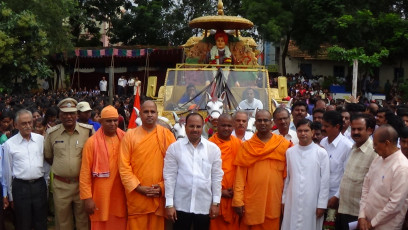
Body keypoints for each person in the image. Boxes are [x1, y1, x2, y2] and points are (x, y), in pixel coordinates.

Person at [119, 100, 176, 230]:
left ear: (157, 114)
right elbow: (124, 166)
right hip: (137, 198)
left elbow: (175, 166)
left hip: (159, 197)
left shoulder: (166, 134)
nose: (149, 115)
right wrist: (138, 188)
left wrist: (162, 187)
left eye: (152, 112)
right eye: (146, 112)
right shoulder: (130, 136)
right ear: (140, 115)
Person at [232, 110, 292, 229]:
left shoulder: (283, 145)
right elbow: (240, 177)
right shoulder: (246, 146)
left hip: (274, 200)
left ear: (271, 123)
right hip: (252, 200)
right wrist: (238, 200)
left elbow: (289, 177)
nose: (262, 123)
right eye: (259, 120)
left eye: (266, 120)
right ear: (255, 123)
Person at [164, 112, 223, 230]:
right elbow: (169, 177)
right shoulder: (174, 148)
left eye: (198, 126)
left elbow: (216, 177)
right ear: (185, 127)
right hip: (180, 205)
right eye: (191, 126)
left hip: (204, 205)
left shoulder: (213, 149)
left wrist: (216, 203)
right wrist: (169, 204)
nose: (195, 129)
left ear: (203, 127)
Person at [44, 98, 94, 230]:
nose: (68, 116)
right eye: (65, 113)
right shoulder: (52, 133)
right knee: (63, 221)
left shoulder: (87, 131)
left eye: (72, 113)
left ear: (77, 114)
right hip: (61, 185)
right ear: (59, 115)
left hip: (82, 185)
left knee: (83, 221)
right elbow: (49, 157)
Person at [80, 105, 127, 229]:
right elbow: (85, 172)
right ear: (101, 122)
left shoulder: (125, 138)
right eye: (108, 121)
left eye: (115, 120)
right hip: (100, 195)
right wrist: (87, 198)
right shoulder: (91, 142)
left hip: (120, 194)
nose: (112, 124)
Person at [3, 109, 49, 230]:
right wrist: (10, 196)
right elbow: (8, 171)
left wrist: (46, 184)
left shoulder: (40, 140)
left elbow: (45, 165)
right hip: (20, 187)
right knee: (23, 223)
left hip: (39, 185)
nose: (28, 126)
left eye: (30, 122)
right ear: (16, 125)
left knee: (41, 221)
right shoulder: (9, 145)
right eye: (24, 123)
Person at [281, 119, 330, 230]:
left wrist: (322, 204)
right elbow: (287, 179)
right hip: (292, 199)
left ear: (312, 132)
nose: (303, 133)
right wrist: (284, 200)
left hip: (312, 201)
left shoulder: (321, 153)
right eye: (300, 131)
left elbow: (325, 182)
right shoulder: (290, 152)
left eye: (306, 130)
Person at [358, 125, 408, 230]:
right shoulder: (378, 159)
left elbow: (395, 205)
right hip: (366, 222)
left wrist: (372, 223)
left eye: (375, 144)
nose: (373, 148)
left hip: (386, 226)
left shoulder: (402, 167)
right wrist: (362, 216)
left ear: (387, 143)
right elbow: (366, 187)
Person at [335, 113, 377, 230]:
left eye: (359, 129)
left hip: (359, 215)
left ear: (369, 130)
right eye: (353, 129)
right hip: (344, 210)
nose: (355, 132)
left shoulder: (374, 152)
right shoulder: (353, 148)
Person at [208, 114, 241, 230]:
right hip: (214, 199)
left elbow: (242, 171)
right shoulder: (209, 145)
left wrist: (237, 191)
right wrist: (220, 192)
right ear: (217, 126)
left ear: (233, 127)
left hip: (234, 197)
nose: (226, 128)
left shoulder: (239, 144)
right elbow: (203, 174)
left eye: (229, 126)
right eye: (223, 125)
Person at [320, 110, 353, 225]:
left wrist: (336, 196)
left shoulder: (347, 146)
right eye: (323, 125)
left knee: (330, 227)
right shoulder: (323, 142)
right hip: (320, 196)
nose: (323, 128)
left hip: (335, 198)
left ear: (337, 126)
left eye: (326, 126)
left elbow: (346, 175)